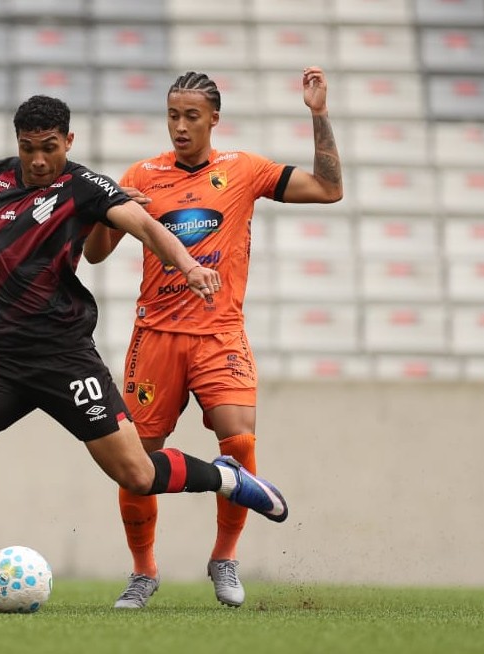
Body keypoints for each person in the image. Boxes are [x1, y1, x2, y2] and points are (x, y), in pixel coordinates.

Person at [0, 94, 288, 607]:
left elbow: (146, 226)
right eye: (28, 149)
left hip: (66, 359)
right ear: (16, 144)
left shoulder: (84, 186)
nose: (39, 160)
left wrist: (189, 265)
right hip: (1, 362)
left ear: (68, 141)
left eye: (49, 148)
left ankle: (225, 478)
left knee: (138, 472)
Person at [83, 68, 343, 609]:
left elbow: (328, 189)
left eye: (191, 117)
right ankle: (143, 572)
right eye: (173, 115)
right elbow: (94, 254)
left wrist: (318, 114)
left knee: (240, 441)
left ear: (213, 120)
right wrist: (109, 207)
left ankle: (224, 559)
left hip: (219, 333)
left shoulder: (243, 170)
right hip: (154, 336)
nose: (180, 126)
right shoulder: (143, 173)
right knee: (136, 461)